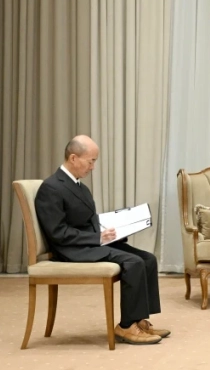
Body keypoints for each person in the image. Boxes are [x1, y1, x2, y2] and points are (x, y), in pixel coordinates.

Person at [35, 135, 169, 345]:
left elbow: (90, 220)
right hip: (71, 249)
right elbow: (58, 233)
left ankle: (138, 320)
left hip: (89, 242)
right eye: (91, 161)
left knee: (148, 259)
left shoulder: (80, 186)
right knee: (133, 262)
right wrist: (97, 237)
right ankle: (126, 326)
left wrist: (120, 227)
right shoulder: (51, 188)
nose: (93, 167)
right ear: (73, 158)